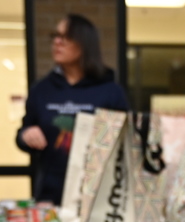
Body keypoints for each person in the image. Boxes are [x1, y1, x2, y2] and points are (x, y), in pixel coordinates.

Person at [16, 14, 128, 205]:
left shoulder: (110, 91)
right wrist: (26, 134)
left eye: (66, 37)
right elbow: (22, 134)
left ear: (84, 43)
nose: (57, 42)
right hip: (51, 194)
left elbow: (124, 142)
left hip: (98, 195)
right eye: (55, 36)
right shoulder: (42, 89)